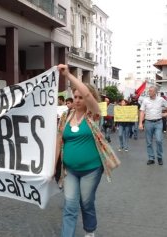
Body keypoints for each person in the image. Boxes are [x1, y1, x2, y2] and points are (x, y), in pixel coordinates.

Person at [56, 64, 103, 237]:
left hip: (91, 169)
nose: (77, 100)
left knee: (86, 202)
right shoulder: (65, 117)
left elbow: (89, 94)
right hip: (70, 171)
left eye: (80, 97)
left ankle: (90, 231)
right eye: (74, 96)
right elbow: (58, 141)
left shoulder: (94, 115)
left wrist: (68, 75)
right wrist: (52, 167)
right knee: (69, 204)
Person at [139, 86, 167, 165]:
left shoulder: (161, 99)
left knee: (159, 140)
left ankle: (159, 157)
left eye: (151, 91)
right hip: (148, 122)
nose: (149, 92)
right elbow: (142, 112)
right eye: (149, 91)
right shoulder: (145, 100)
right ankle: (151, 158)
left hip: (158, 123)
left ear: (155, 92)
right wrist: (140, 123)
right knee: (149, 142)